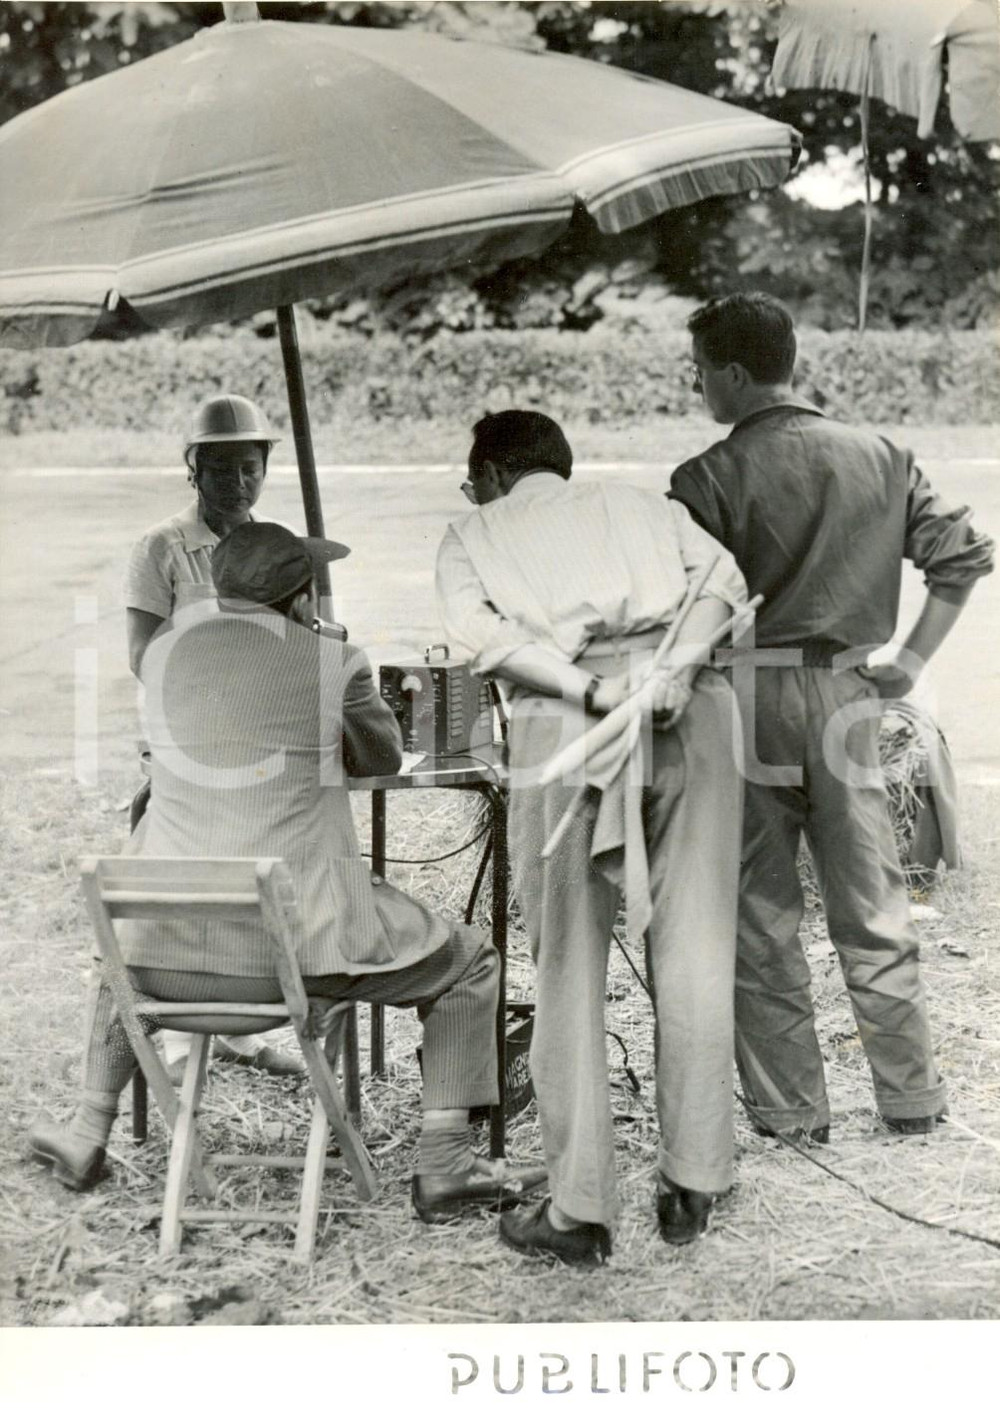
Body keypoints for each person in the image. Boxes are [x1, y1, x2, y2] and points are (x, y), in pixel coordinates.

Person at [30, 522, 546, 1224]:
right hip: (292, 954)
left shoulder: (160, 659)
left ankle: (89, 1130)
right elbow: (382, 759)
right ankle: (446, 1160)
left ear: (220, 585)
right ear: (302, 596)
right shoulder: (331, 661)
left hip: (161, 956)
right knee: (469, 965)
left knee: (117, 956)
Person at [669, 291, 995, 1144]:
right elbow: (961, 563)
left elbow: (678, 613)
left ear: (735, 373)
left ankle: (790, 1115)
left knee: (760, 912)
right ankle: (912, 1100)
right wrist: (911, 663)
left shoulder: (705, 477)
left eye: (702, 372)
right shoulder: (882, 454)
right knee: (873, 900)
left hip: (744, 699)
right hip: (850, 697)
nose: (700, 388)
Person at [436, 410, 748, 1267]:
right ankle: (694, 1179)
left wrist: (599, 691)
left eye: (475, 483)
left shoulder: (474, 532)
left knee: (569, 963)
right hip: (692, 715)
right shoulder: (642, 505)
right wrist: (671, 671)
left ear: (494, 473)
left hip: (565, 722)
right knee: (695, 943)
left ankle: (579, 1209)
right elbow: (725, 583)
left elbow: (486, 640)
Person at [124, 392, 315, 1080]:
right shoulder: (162, 547)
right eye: (223, 468)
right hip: (187, 736)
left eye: (251, 468)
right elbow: (142, 654)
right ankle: (179, 1037)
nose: (238, 483)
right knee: (190, 877)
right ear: (194, 469)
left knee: (255, 873)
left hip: (260, 743)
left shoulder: (274, 547)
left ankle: (237, 1029)